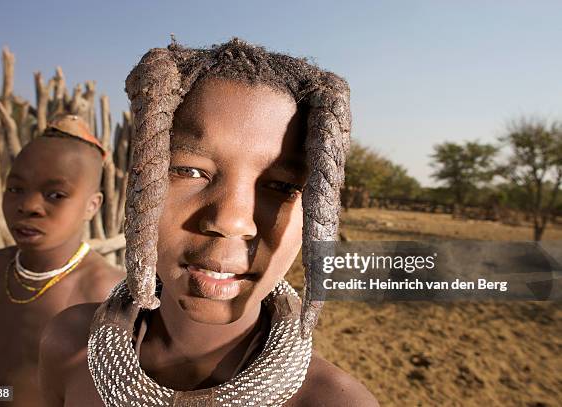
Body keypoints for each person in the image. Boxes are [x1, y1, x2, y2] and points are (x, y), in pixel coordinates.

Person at [39, 40, 378, 406]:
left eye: (281, 186)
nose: (231, 221)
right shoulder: (69, 345)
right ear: (138, 182)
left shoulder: (335, 402)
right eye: (190, 171)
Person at [0, 115, 126, 406]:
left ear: (92, 206)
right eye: (16, 189)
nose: (28, 206)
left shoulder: (105, 292)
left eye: (55, 195)